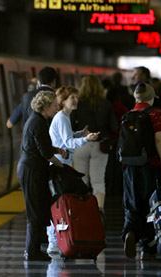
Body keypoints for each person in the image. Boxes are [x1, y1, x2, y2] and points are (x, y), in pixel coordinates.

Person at [46, 86, 100, 254]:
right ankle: (53, 242)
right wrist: (86, 139)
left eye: (76, 97)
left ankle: (56, 240)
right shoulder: (62, 117)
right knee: (58, 202)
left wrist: (79, 134)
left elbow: (65, 138)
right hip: (59, 165)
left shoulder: (64, 117)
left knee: (59, 201)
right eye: (72, 98)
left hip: (62, 164)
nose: (76, 100)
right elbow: (67, 143)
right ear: (63, 101)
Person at [122, 83, 161, 259]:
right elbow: (159, 140)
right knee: (151, 206)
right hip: (150, 166)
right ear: (152, 97)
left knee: (132, 204)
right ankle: (147, 247)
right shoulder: (155, 113)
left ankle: (130, 233)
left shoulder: (128, 115)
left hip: (130, 168)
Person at [18, 91, 65, 261]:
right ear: (45, 106)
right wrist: (61, 164)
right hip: (32, 170)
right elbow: (44, 152)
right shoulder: (38, 122)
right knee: (34, 212)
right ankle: (31, 251)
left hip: (32, 168)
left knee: (38, 208)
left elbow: (41, 145)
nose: (56, 108)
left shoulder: (37, 120)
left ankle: (34, 249)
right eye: (54, 105)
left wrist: (56, 150)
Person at [70, 75, 117, 211]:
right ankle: (99, 210)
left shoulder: (78, 104)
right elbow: (113, 126)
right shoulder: (106, 103)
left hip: (81, 144)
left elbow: (72, 124)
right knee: (98, 180)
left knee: (82, 179)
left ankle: (83, 209)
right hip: (100, 145)